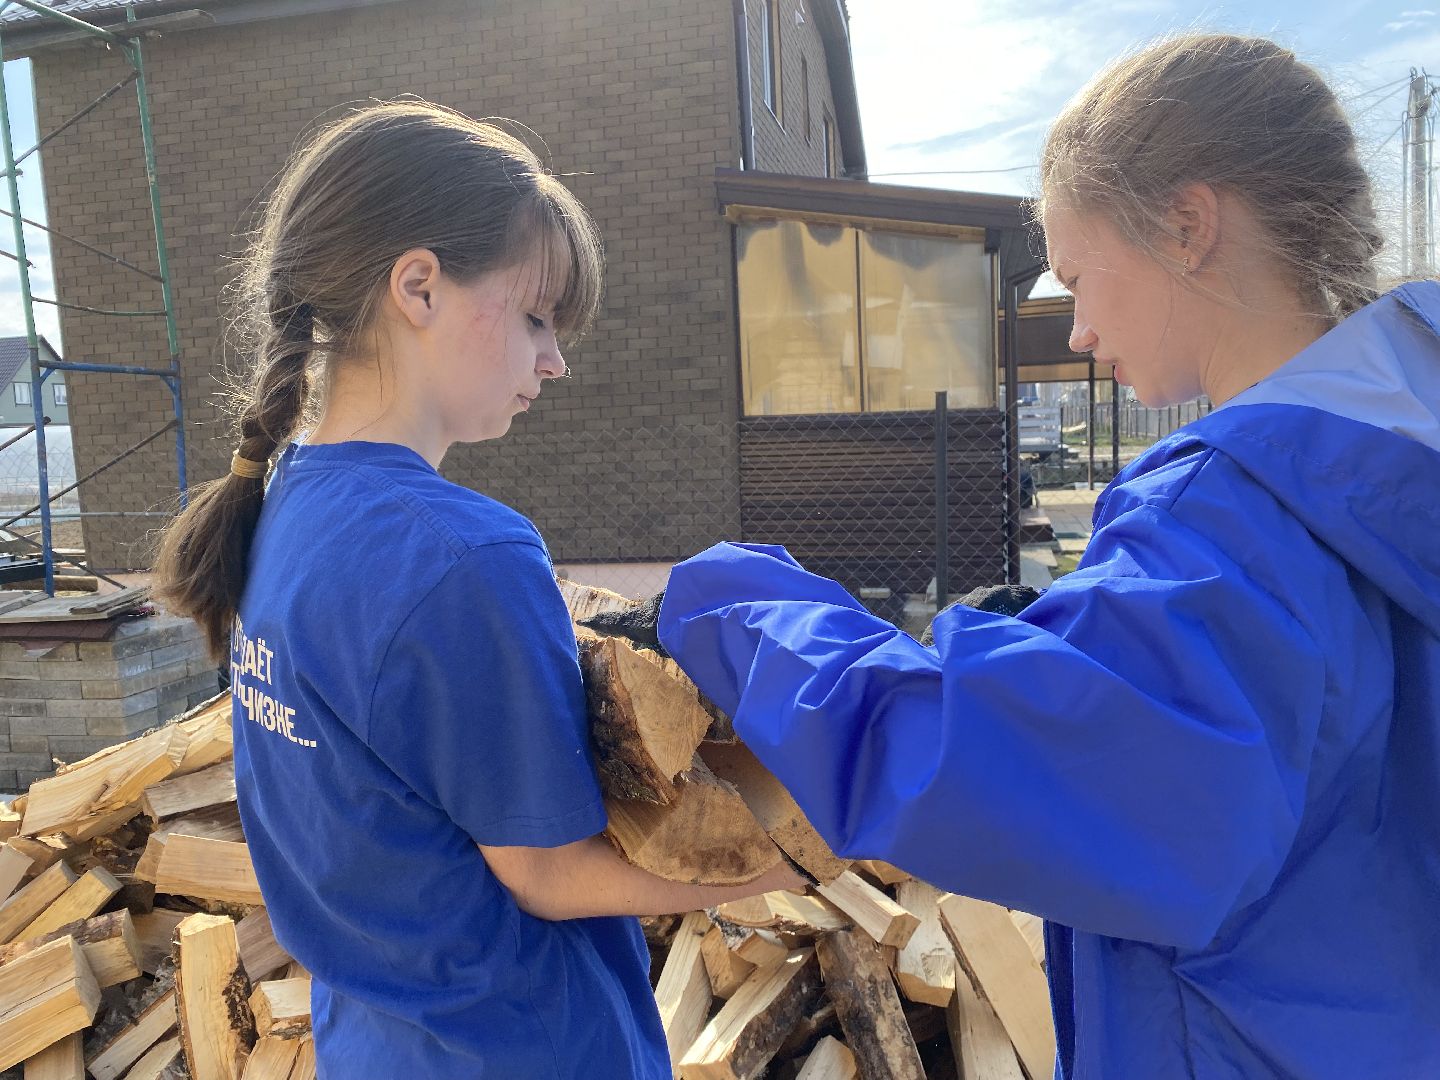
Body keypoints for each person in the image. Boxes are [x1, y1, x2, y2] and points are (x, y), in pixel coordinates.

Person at [657, 34, 1440, 1079]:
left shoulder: (1231, 517)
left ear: (1187, 226)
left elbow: (979, 761)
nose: (1075, 330)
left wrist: (731, 605)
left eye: (1078, 276)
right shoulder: (1392, 451)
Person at [153, 101, 800, 1079]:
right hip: (523, 1045)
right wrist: (785, 860)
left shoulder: (279, 499)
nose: (555, 358)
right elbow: (548, 872)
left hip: (377, 1042)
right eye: (536, 313)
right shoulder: (464, 554)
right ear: (418, 286)